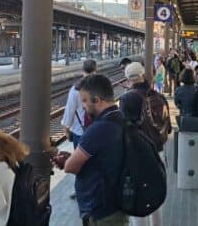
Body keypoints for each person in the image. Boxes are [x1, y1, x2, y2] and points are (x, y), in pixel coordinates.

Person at [53, 74, 128, 225]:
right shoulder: (119, 117)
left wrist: (68, 160)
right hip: (115, 203)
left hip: (101, 210)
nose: (83, 106)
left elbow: (70, 167)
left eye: (85, 101)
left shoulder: (98, 129)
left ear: (97, 100)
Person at [117, 63, 167, 226]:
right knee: (156, 195)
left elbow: (124, 128)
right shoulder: (158, 96)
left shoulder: (127, 99)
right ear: (143, 76)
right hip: (158, 152)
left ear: (129, 79)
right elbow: (168, 128)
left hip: (138, 154)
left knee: (138, 197)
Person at [62, 59, 98, 148]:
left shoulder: (75, 89)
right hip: (98, 129)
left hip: (80, 131)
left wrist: (66, 129)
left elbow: (69, 111)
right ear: (96, 70)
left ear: (82, 71)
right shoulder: (100, 86)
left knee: (80, 160)